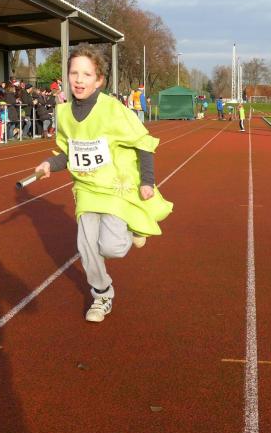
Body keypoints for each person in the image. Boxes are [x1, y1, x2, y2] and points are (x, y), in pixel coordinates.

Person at [33, 46, 173, 323]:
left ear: (99, 80)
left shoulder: (113, 109)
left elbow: (143, 143)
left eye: (87, 74)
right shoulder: (64, 113)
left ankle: (134, 225)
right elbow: (69, 153)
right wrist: (49, 164)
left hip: (115, 189)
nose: (79, 79)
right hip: (86, 189)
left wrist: (147, 181)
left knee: (112, 248)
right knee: (86, 246)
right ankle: (102, 294)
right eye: (74, 73)